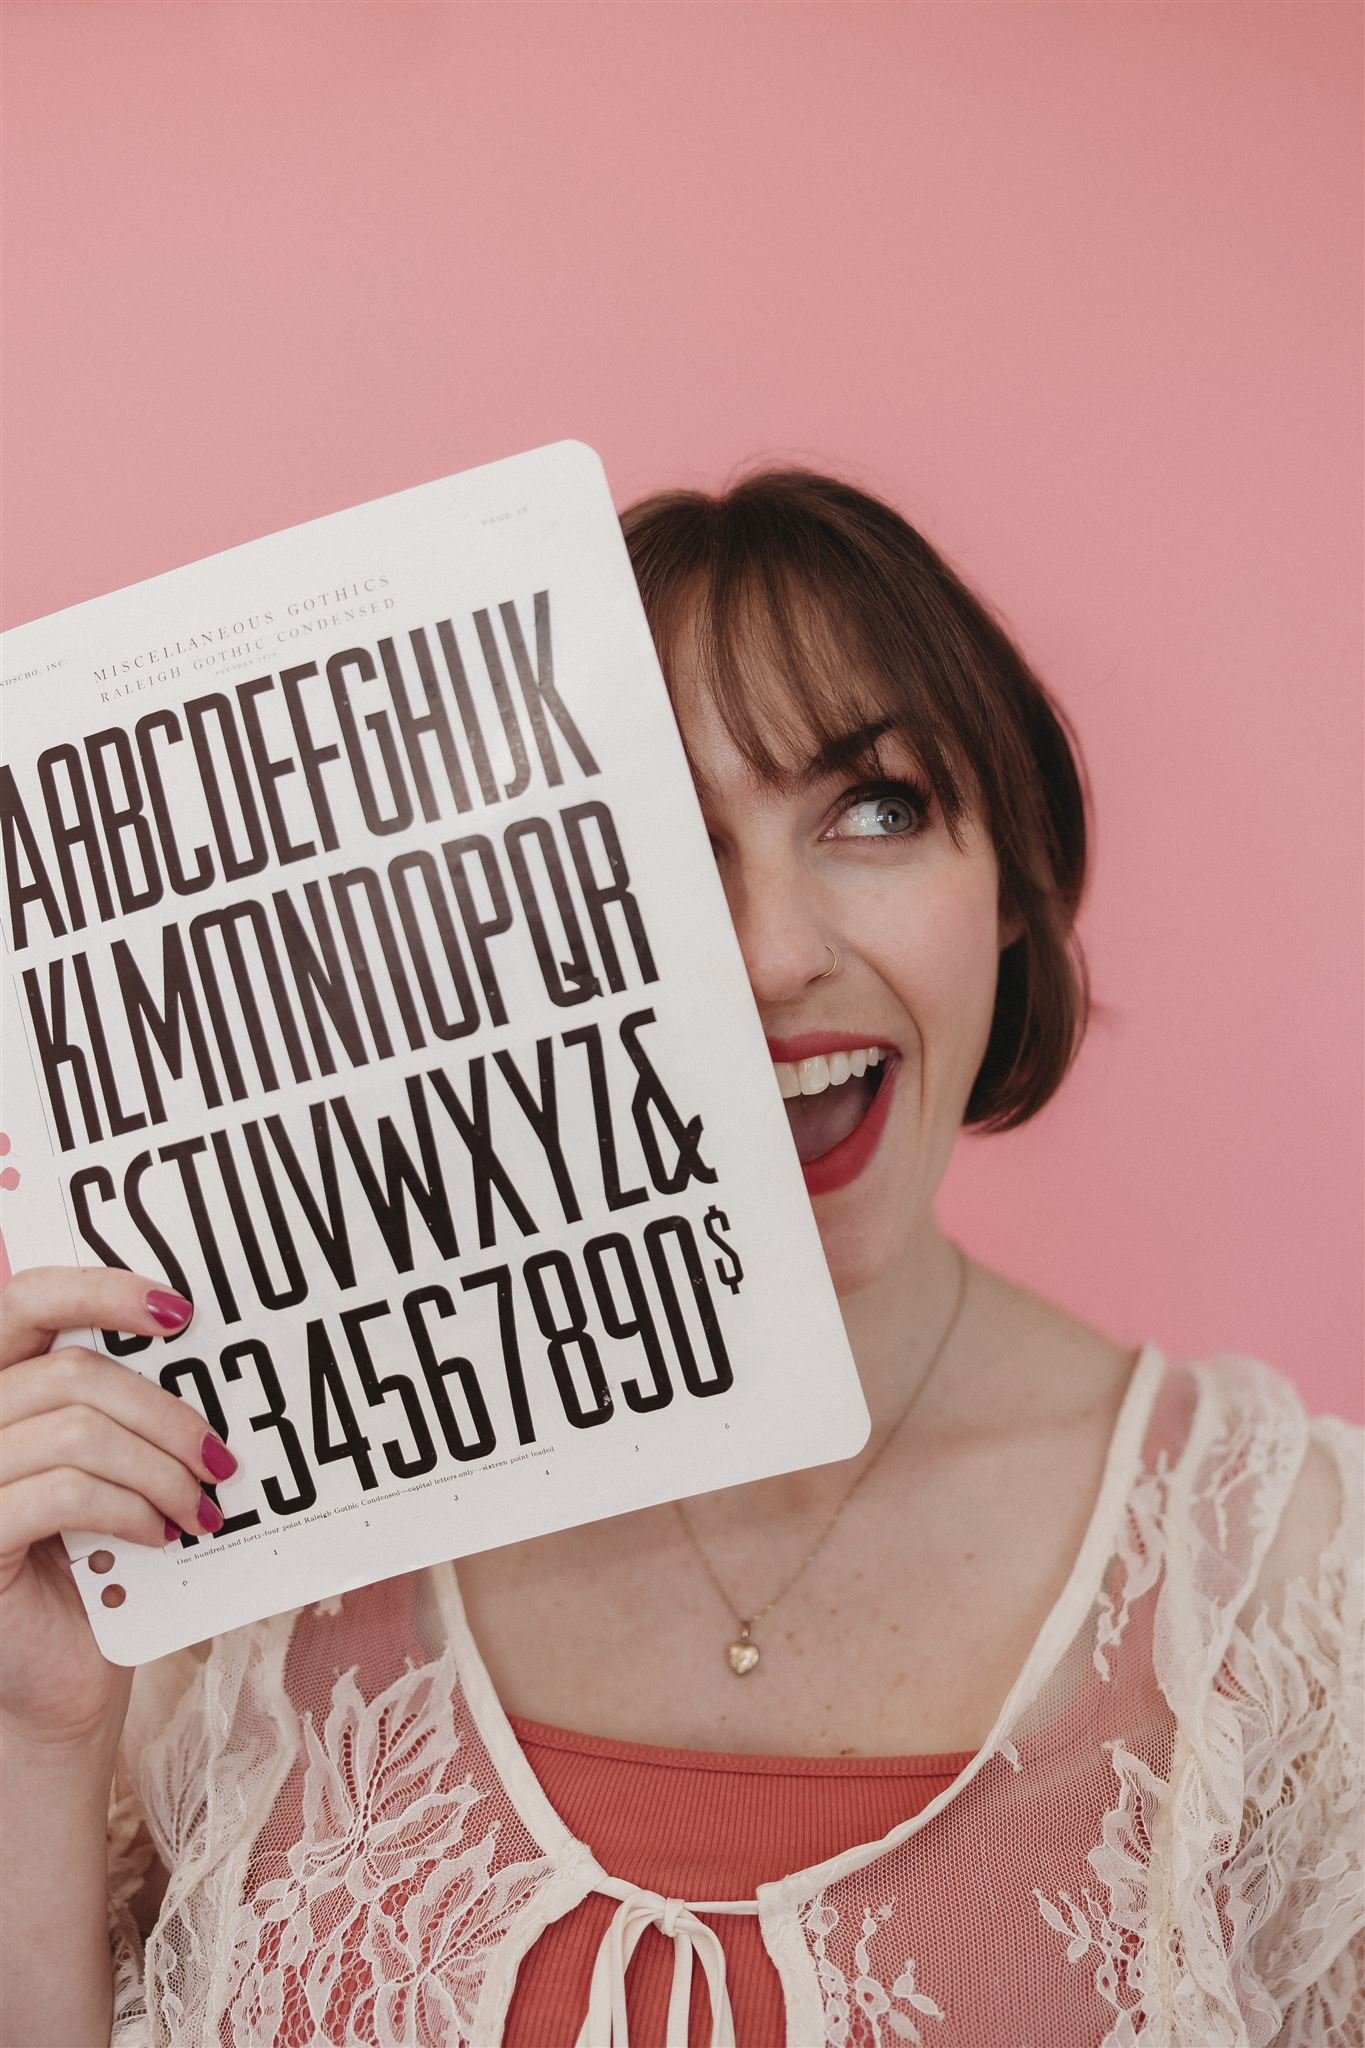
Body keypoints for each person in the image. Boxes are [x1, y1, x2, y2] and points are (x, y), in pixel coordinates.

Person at [1, 469, 1359, 2048]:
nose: (773, 952)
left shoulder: (1293, 1582)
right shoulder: (232, 1549)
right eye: (654, 835)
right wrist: (35, 1736)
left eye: (877, 808)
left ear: (1010, 887)